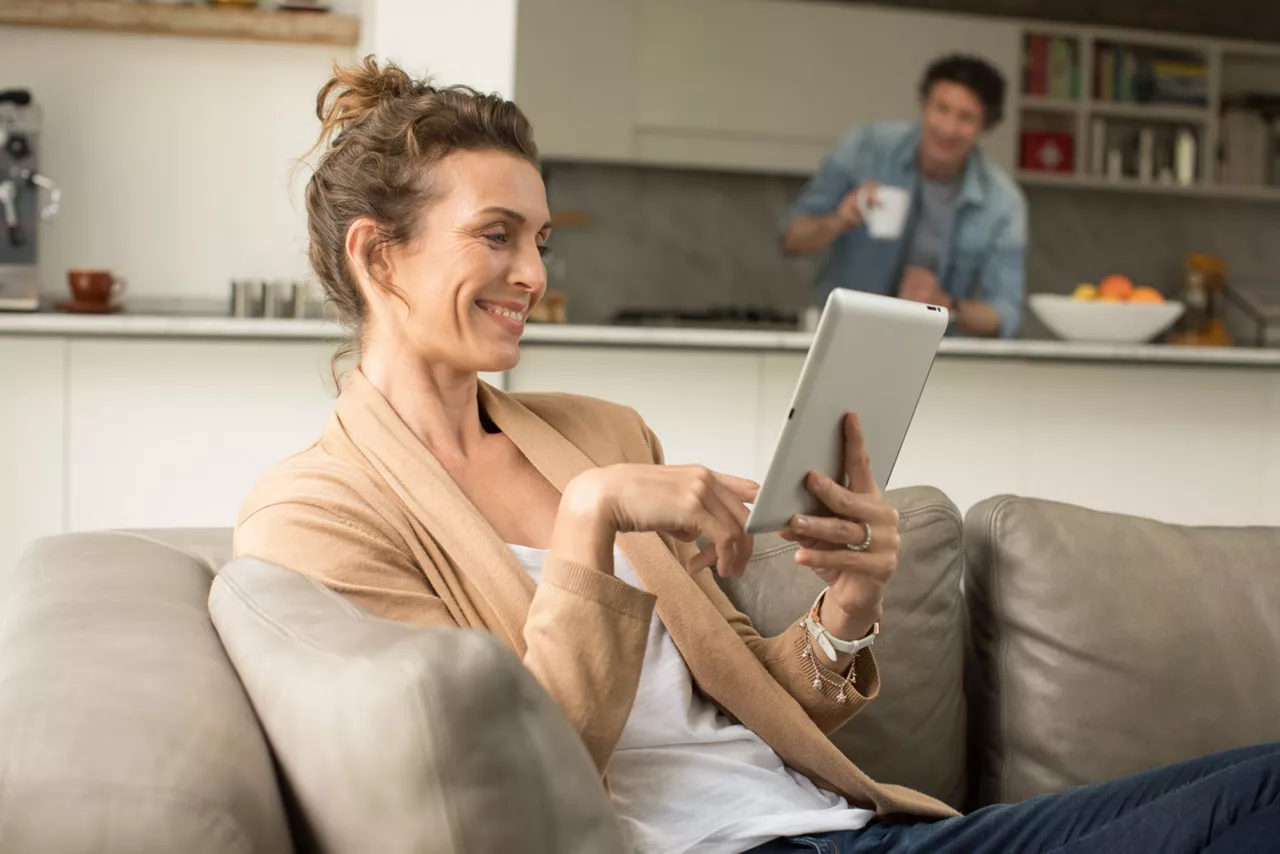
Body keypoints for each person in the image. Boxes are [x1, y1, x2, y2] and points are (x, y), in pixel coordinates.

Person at [236, 58, 1279, 854]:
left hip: (836, 825)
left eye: (542, 241)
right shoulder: (316, 513)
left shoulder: (599, 430)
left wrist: (844, 611)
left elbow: (748, 691)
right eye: (497, 234)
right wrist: (587, 521)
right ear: (377, 254)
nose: (529, 273)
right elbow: (506, 790)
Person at [781, 55, 1026, 338]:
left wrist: (945, 305)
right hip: (844, 338)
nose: (948, 128)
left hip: (936, 355)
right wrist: (840, 220)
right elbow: (791, 240)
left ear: (986, 126)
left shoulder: (1003, 202)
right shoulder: (865, 148)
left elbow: (1006, 316)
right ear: (923, 104)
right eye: (942, 108)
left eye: (966, 118)